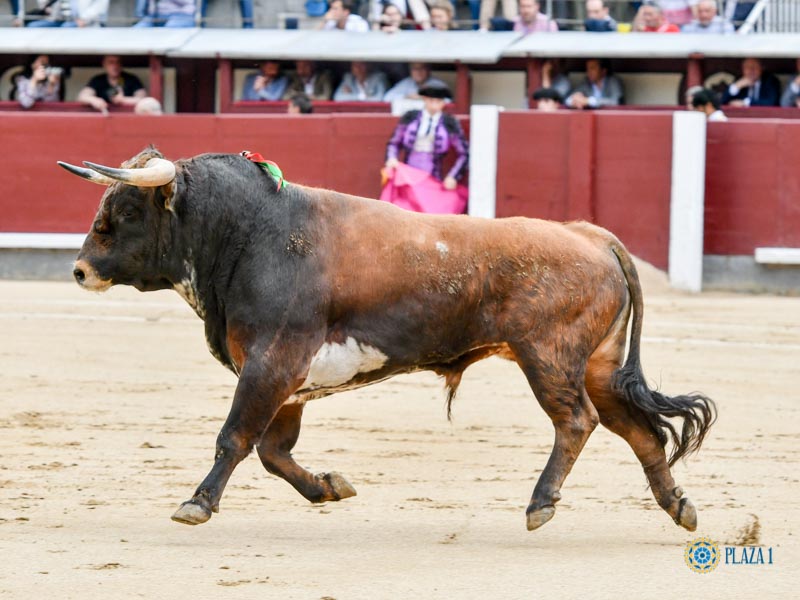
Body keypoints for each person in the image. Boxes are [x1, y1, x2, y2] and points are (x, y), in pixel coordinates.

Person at [385, 84, 468, 190]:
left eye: (438, 101)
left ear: (443, 102)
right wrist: (391, 158)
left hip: (433, 176)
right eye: (431, 100)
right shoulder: (410, 117)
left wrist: (453, 176)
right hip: (408, 174)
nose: (434, 104)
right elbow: (394, 143)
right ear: (425, 99)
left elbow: (464, 153)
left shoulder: (450, 123)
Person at [77, 55, 147, 114]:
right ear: (104, 64)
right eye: (111, 62)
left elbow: (143, 99)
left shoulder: (131, 79)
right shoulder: (98, 80)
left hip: (127, 117)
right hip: (103, 119)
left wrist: (123, 100)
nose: (115, 65)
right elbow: (82, 96)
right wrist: (94, 100)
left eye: (118, 62)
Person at [27, 0, 108, 27]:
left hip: (83, 21)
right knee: (33, 26)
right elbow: (44, 4)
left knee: (66, 27)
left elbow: (101, 6)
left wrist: (84, 19)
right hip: (57, 19)